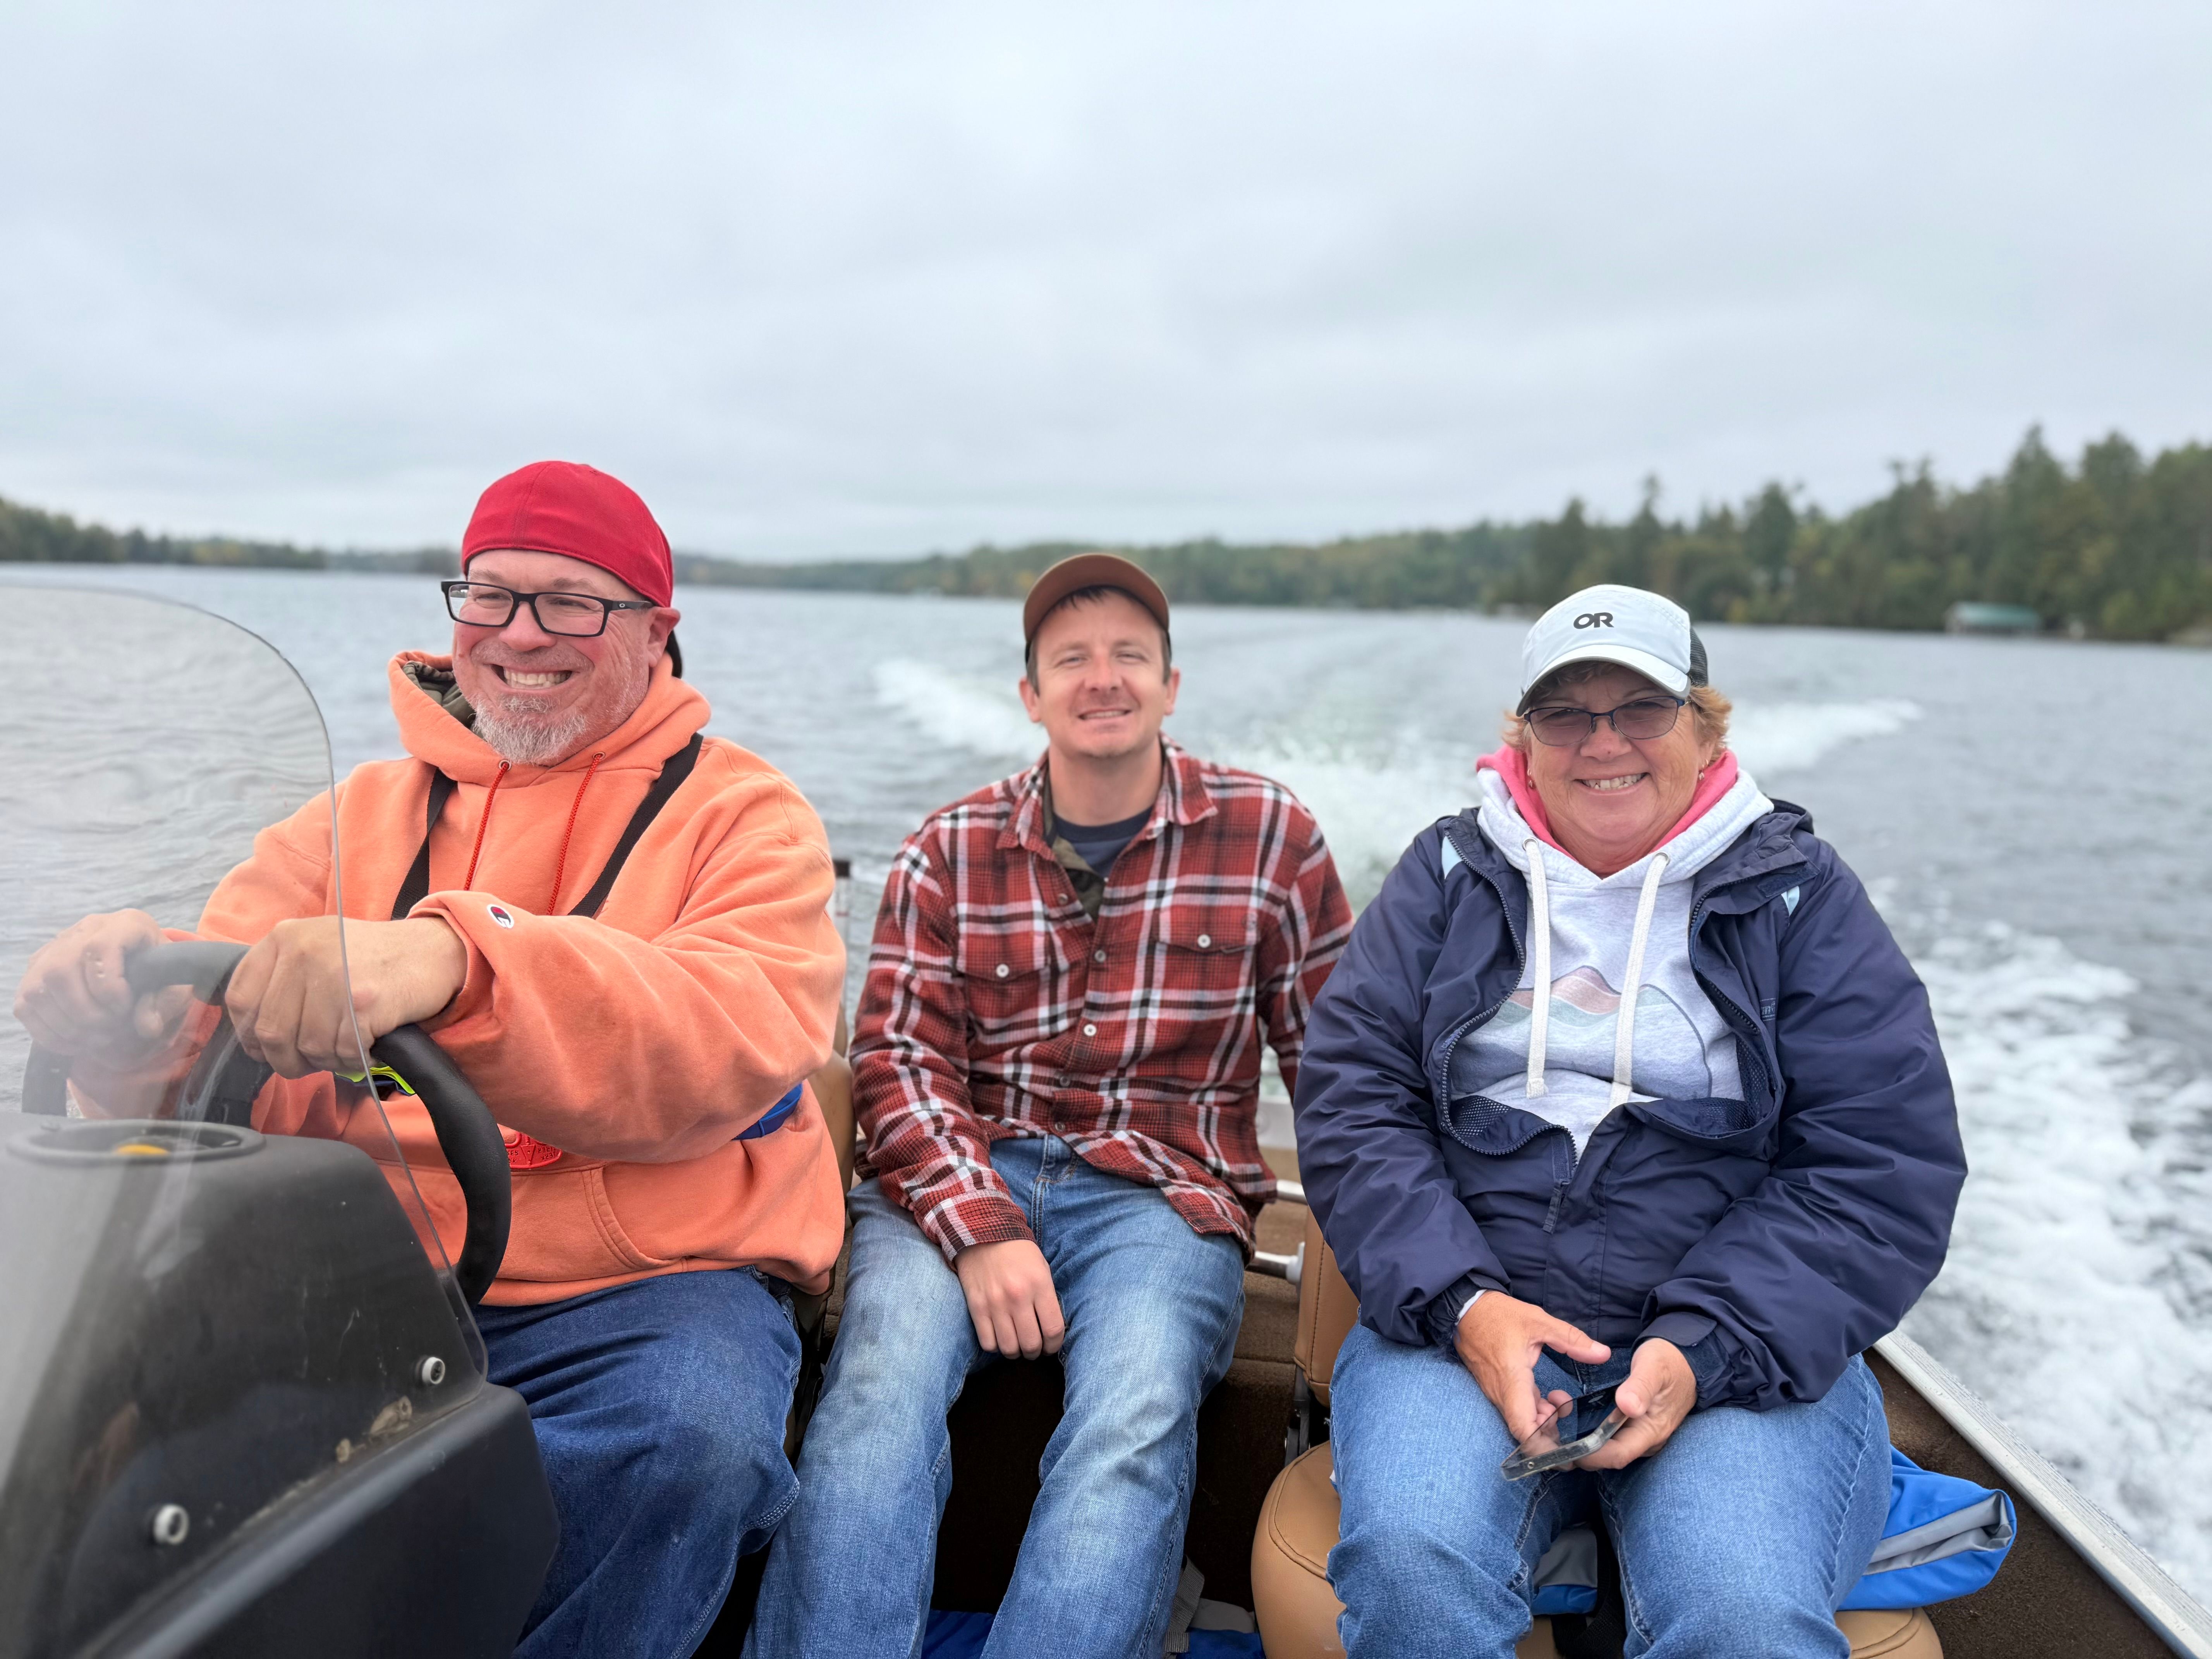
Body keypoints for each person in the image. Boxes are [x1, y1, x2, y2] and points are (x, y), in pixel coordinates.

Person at [14, 461, 847, 1658]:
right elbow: (217, 1070)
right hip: (369, 1268)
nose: (520, 632)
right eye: (492, 594)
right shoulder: (352, 816)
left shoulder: (747, 816)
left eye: (572, 601)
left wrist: (455, 962)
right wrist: (114, 1024)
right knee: (135, 1472)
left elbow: (730, 1032)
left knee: (689, 1446)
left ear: (658, 631)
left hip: (648, 1288)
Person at [1294, 584, 1966, 1659]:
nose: (1604, 741)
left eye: (1641, 709)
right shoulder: (1446, 878)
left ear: (1705, 731)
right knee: (1413, 1569)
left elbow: (1882, 1164)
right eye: (1567, 712)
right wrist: (1468, 1303)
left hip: (1735, 1352)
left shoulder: (1800, 899)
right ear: (1524, 739)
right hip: (1465, 1323)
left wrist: (1704, 1345)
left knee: (1740, 1611)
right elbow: (1353, 1098)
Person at [748, 554, 1355, 1659]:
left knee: (1134, 1407)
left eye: (1130, 655)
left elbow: (1339, 1068)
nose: (1102, 677)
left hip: (1165, 1204)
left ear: (1173, 684)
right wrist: (981, 1230)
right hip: (957, 1183)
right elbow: (898, 1061)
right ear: (1030, 695)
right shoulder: (947, 851)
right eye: (1071, 658)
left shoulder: (1275, 840)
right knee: (878, 1388)